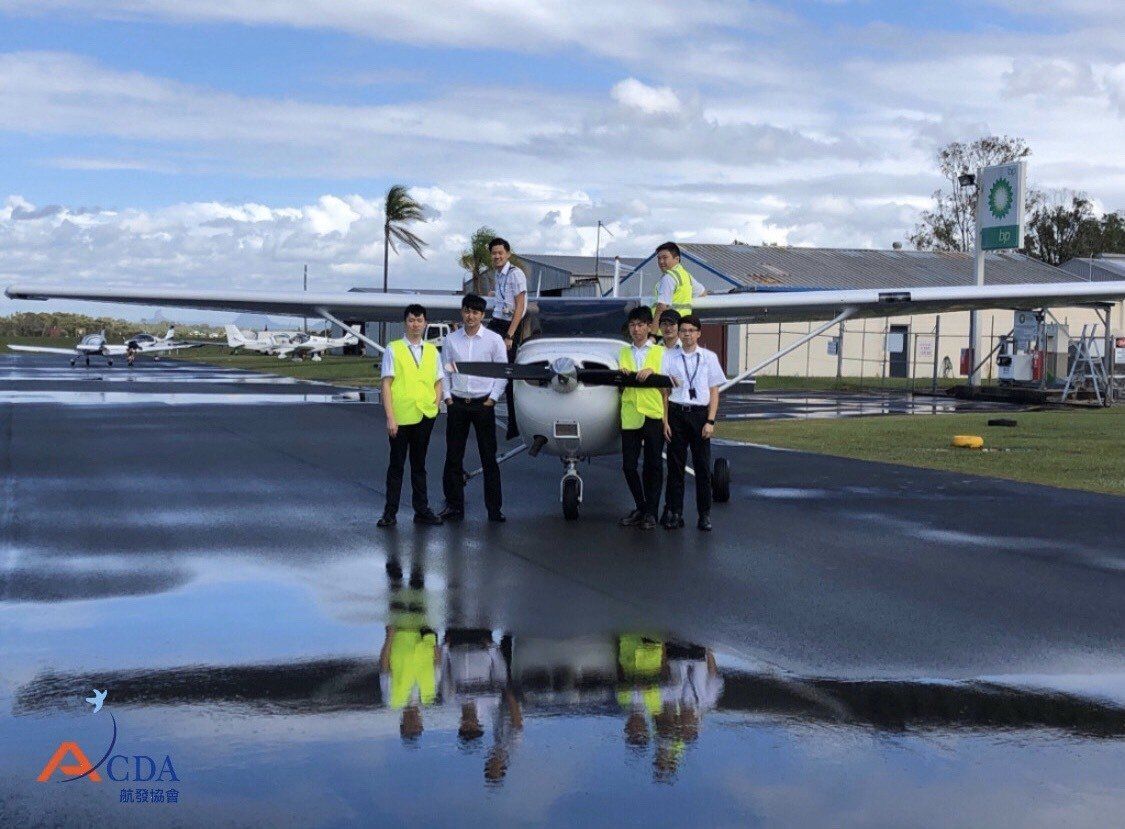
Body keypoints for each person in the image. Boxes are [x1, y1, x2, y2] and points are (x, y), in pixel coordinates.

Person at [440, 294, 508, 522]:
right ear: (462, 312)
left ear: (482, 315)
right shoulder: (451, 340)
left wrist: (493, 398)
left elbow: (502, 372)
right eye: (467, 311)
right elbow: (445, 371)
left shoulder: (494, 340)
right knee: (453, 456)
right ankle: (454, 506)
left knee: (489, 457)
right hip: (458, 404)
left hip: (483, 404)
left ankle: (494, 509)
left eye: (476, 312)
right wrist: (448, 398)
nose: (471, 316)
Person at [378, 304, 443, 528]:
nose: (415, 324)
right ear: (405, 322)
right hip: (401, 416)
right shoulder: (393, 348)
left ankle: (422, 509)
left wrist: (435, 404)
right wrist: (390, 417)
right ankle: (390, 512)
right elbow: (386, 384)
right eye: (411, 320)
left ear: (425, 323)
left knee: (419, 465)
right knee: (396, 465)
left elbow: (438, 381)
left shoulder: (433, 351)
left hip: (424, 415)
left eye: (419, 320)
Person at [661, 315, 725, 531]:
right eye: (683, 330)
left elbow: (714, 392)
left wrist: (710, 421)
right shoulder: (669, 357)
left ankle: (704, 515)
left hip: (699, 416)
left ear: (698, 333)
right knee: (675, 468)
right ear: (678, 333)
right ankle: (675, 513)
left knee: (702, 467)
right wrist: (665, 421)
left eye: (691, 330)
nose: (687, 334)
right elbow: (665, 391)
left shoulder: (708, 357)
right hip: (677, 413)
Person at [618, 307, 667, 531]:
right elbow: (619, 384)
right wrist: (621, 375)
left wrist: (652, 373)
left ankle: (651, 513)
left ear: (649, 327)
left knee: (653, 465)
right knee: (629, 465)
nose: (636, 329)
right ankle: (642, 506)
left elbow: (667, 387)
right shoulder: (623, 353)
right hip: (630, 414)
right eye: (632, 325)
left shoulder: (659, 352)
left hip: (652, 412)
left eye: (640, 325)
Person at [485, 237, 526, 440]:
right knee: (483, 360)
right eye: (494, 253)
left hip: (509, 326)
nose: (497, 256)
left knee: (508, 372)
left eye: (500, 253)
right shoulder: (498, 274)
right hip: (496, 321)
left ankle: (514, 423)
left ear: (508, 254)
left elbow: (520, 306)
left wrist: (510, 335)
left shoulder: (515, 274)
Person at [651, 242, 707, 333]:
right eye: (659, 258)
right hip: (681, 329)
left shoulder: (668, 278)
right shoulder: (686, 275)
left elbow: (662, 307)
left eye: (665, 258)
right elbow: (703, 293)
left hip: (666, 331)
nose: (661, 261)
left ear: (677, 259)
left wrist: (652, 334)